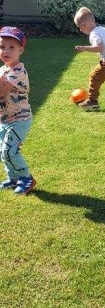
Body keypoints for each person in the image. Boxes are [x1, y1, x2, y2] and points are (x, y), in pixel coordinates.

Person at [0, 26, 36, 194]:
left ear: (21, 50)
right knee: (3, 151)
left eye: (11, 47)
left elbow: (2, 90)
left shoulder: (17, 71)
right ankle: (13, 178)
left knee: (10, 150)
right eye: (2, 46)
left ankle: (26, 178)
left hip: (19, 120)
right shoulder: (3, 69)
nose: (6, 51)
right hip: (5, 119)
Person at [74, 7, 105, 111]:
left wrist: (84, 48)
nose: (80, 30)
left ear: (84, 25)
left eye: (79, 27)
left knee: (94, 77)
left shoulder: (94, 34)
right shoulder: (104, 29)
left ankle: (92, 100)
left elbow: (99, 48)